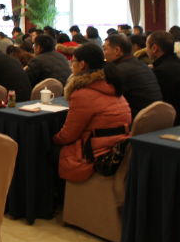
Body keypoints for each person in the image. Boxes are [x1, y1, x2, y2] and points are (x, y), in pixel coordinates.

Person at [52, 43, 131, 182]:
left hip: (94, 153)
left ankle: (54, 193)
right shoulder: (111, 85)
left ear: (82, 64)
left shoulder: (82, 93)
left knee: (47, 150)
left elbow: (68, 136)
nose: (71, 65)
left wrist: (52, 138)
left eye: (73, 61)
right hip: (118, 147)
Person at [103, 34, 161, 121]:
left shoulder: (118, 71)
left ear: (117, 50)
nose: (104, 54)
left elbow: (110, 101)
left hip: (138, 120)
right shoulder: (142, 64)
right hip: (155, 117)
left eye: (105, 49)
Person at [147, 31, 180, 125]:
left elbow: (162, 104)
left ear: (154, 48)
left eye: (147, 46)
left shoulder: (160, 72)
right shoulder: (179, 63)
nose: (146, 50)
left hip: (174, 123)